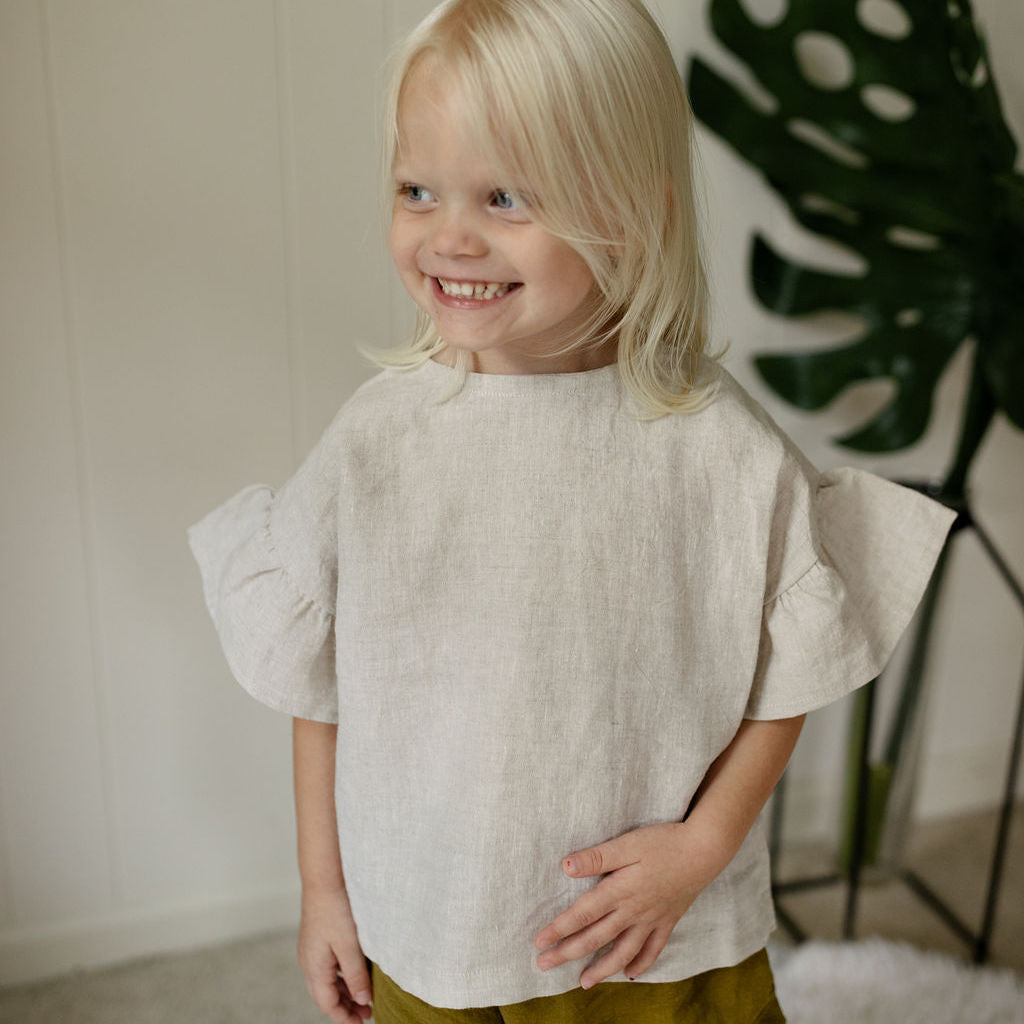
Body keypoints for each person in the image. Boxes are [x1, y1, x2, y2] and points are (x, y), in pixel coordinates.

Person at [187, 1, 956, 1021]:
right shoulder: (377, 442)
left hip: (654, 937)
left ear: (633, 212)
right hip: (430, 923)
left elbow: (792, 662)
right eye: (417, 190)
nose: (448, 236)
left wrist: (704, 844)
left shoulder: (712, 443)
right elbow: (317, 682)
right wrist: (324, 890)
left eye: (505, 197)